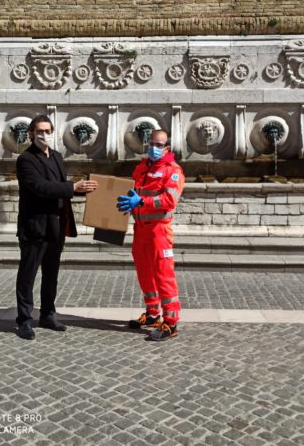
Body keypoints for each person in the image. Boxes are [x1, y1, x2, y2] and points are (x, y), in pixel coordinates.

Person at [15, 114, 97, 340]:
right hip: (35, 226)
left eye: (47, 131)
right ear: (31, 134)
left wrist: (83, 190)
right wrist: (73, 186)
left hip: (56, 225)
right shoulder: (26, 159)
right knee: (28, 275)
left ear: (52, 133)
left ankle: (48, 314)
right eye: (39, 131)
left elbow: (61, 187)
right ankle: (23, 319)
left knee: (51, 273)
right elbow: (40, 187)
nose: (44, 135)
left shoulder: (58, 156)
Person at [117, 129, 185, 341]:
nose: (154, 148)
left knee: (163, 275)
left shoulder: (173, 171)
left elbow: (169, 200)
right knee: (145, 273)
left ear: (166, 148)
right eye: (151, 144)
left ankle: (171, 323)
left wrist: (141, 202)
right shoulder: (141, 168)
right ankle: (153, 314)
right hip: (140, 229)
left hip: (159, 230)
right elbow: (134, 193)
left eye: (159, 145)